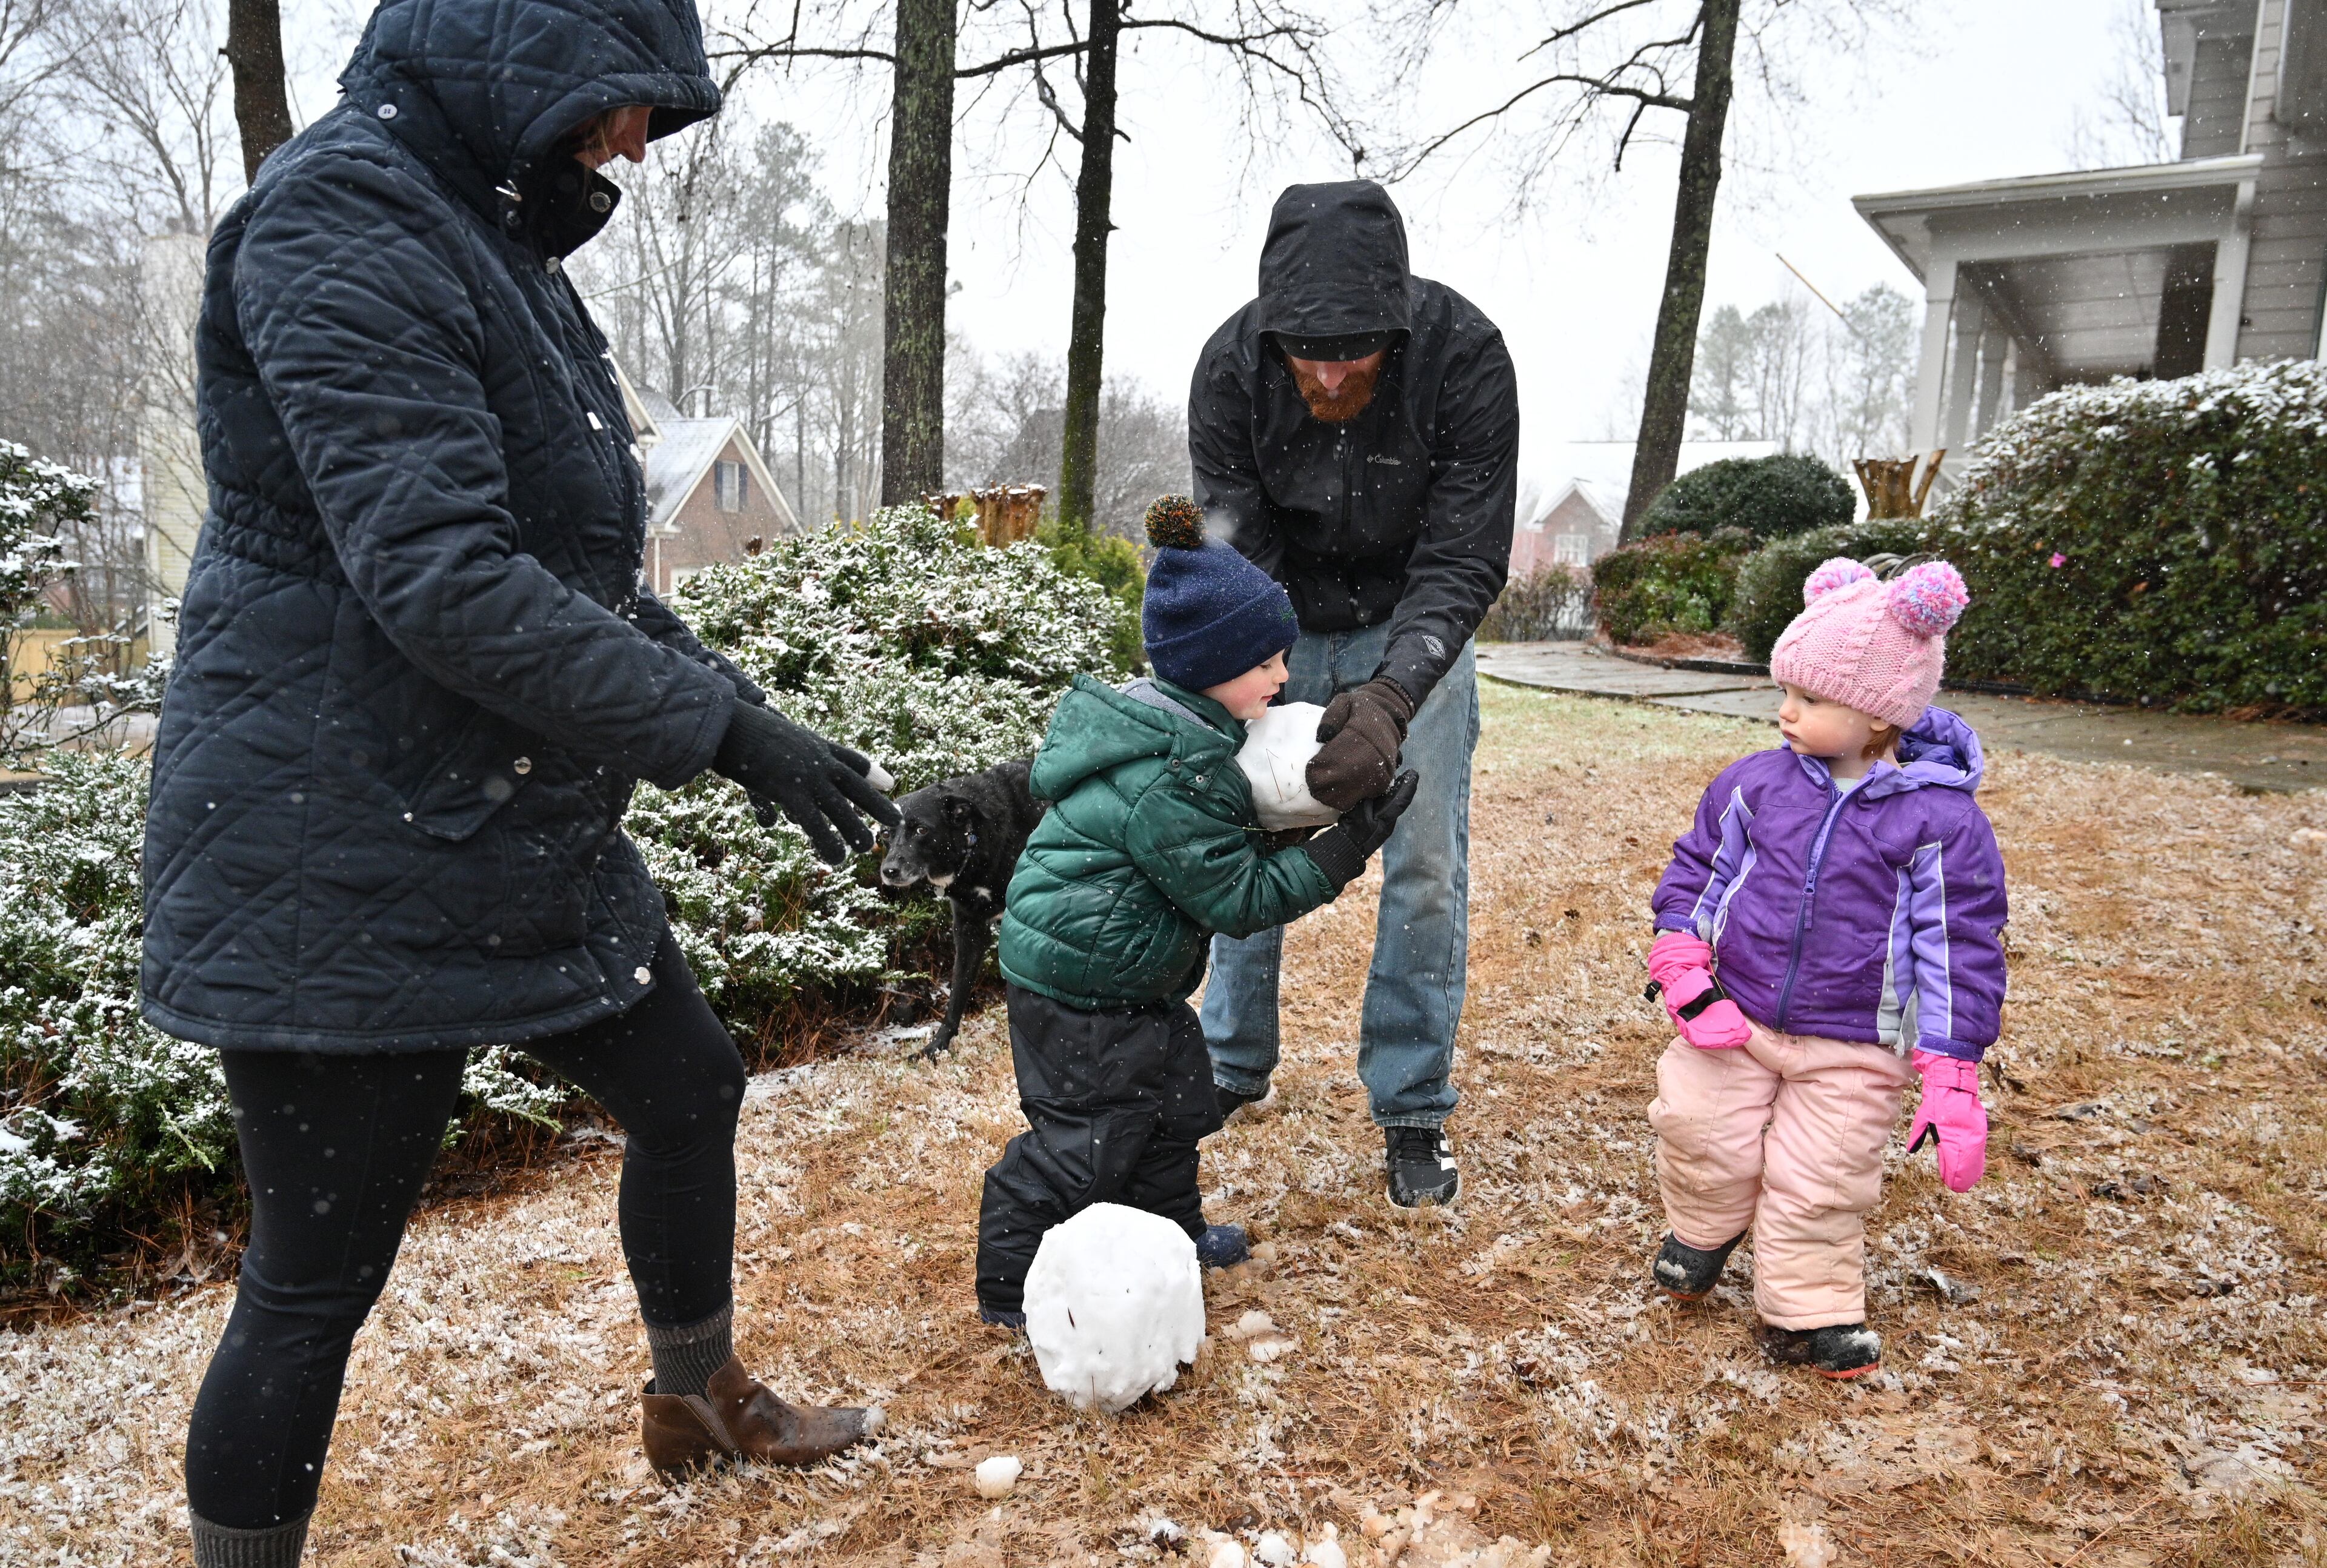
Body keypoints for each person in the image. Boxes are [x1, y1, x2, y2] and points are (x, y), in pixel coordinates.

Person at [139, 1, 900, 1561]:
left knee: (687, 1084)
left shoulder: (490, 244)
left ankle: (696, 1404)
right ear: (518, 55)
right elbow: (445, 582)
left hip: (502, 809)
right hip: (333, 830)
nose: (633, 144)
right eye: (622, 105)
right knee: (313, 1279)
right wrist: (718, 736)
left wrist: (744, 713)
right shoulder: (339, 216)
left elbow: (574, 569)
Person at [975, 497, 1417, 1325]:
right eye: (1267, 662)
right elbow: (1239, 896)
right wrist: (1344, 847)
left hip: (1133, 985)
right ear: (1211, 663)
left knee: (1173, 1115)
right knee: (1087, 1149)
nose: (1284, 678)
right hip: (1078, 994)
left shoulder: (1191, 737)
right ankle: (1007, 1284)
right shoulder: (1168, 779)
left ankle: (1171, 1241)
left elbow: (1232, 847)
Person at [1188, 179, 1519, 1209]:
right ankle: (1229, 1063)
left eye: (1355, 355)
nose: (1329, 375)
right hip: (1280, 617)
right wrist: (1262, 668)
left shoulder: (1467, 358)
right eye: (1309, 354)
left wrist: (1391, 696)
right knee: (1245, 833)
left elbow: (1465, 556)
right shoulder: (1233, 368)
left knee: (1424, 866)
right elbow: (1236, 547)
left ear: (1399, 324)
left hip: (1412, 615)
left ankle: (1413, 1104)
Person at [1643, 559, 2005, 1380]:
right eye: (1786, 691)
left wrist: (1951, 1068)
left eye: (1810, 700)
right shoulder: (1757, 784)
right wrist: (1681, 956)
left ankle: (1807, 1316)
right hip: (1733, 1016)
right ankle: (1703, 1232)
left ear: (1878, 714)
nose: (1786, 710)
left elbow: (1959, 945)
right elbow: (1701, 872)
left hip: (1857, 1042)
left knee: (1824, 1179)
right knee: (1698, 1132)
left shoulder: (1940, 822)